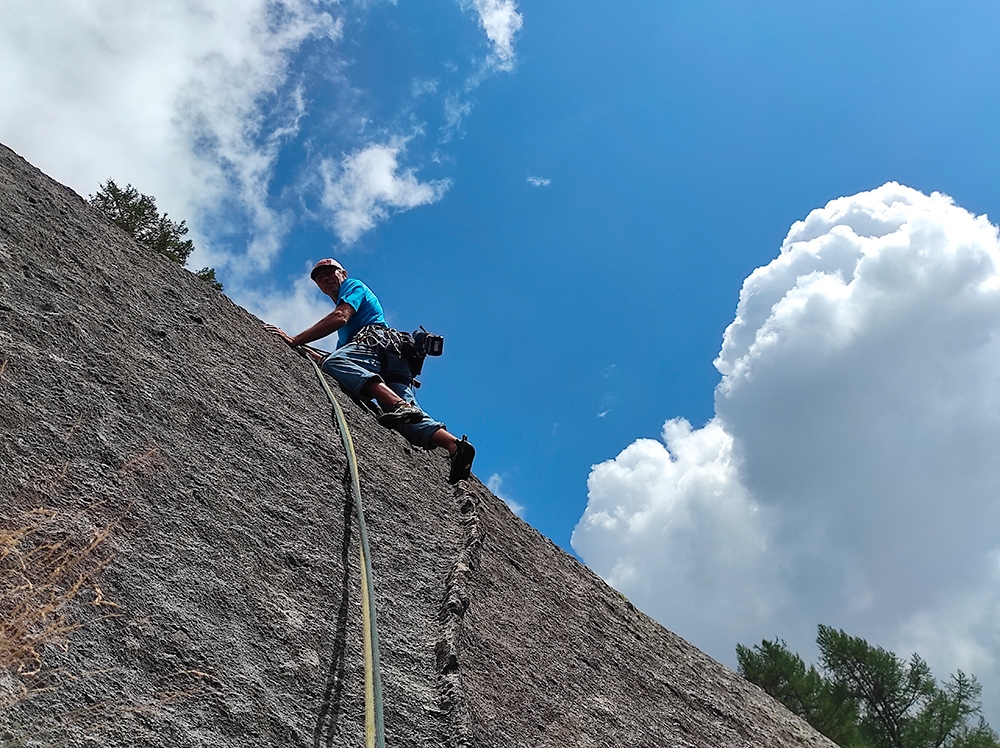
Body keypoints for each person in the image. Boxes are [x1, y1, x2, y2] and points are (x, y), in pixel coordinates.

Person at [265, 258, 475, 484]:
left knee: (337, 364)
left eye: (329, 273)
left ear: (343, 273)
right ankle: (454, 446)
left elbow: (340, 318)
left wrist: (294, 340)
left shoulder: (353, 286)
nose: (324, 279)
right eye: (319, 278)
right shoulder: (346, 337)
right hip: (394, 360)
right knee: (408, 423)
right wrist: (302, 347)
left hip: (376, 345)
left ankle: (399, 405)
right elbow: (335, 358)